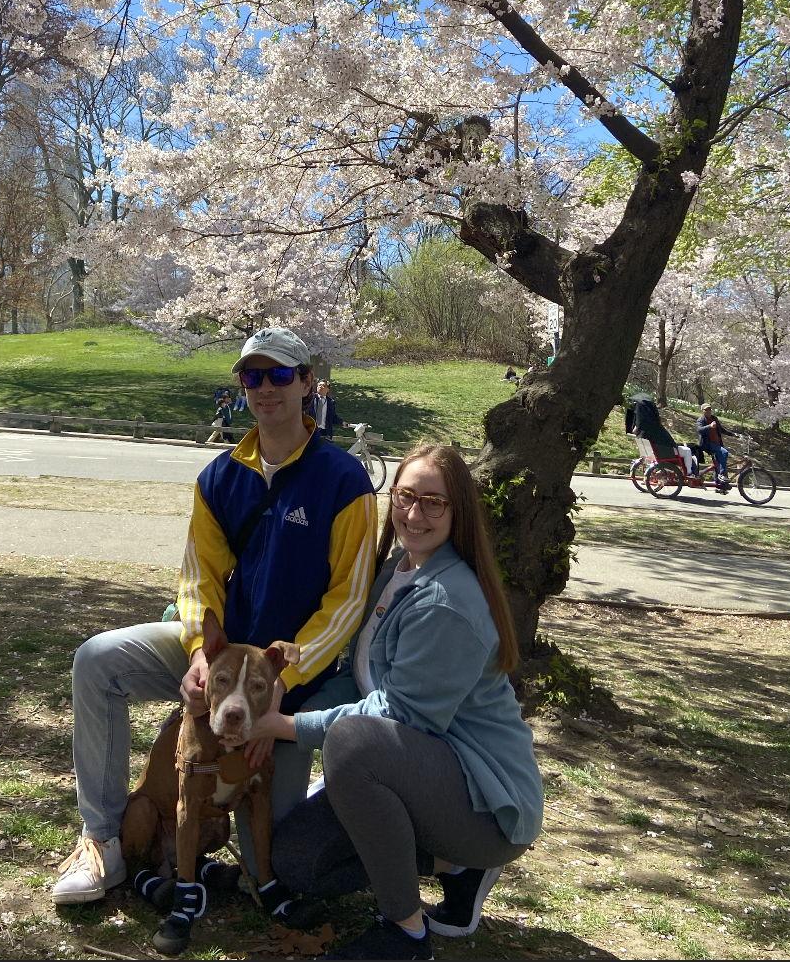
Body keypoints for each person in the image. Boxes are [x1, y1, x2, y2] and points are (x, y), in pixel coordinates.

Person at [51, 326, 380, 920]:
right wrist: (201, 654)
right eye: (253, 376)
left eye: (280, 374)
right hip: (219, 655)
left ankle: (290, 804)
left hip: (286, 674)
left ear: (307, 383)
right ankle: (102, 840)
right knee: (97, 660)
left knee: (272, 864)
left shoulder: (344, 481)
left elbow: (348, 599)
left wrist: (280, 685)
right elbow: (198, 577)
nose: (266, 388)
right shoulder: (219, 477)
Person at [260, 445, 544, 961]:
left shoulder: (447, 601)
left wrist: (286, 727)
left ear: (458, 512)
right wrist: (287, 704)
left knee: (352, 743)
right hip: (417, 771)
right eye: (406, 496)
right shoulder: (396, 571)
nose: (415, 514)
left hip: (486, 804)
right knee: (299, 862)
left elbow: (402, 715)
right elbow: (360, 680)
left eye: (434, 502)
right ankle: (454, 867)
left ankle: (406, 934)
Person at [696, 404, 734, 487]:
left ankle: (719, 484)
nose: (708, 411)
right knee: (724, 453)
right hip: (707, 444)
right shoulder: (701, 420)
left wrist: (732, 434)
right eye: (706, 410)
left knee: (719, 462)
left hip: (717, 444)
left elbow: (721, 429)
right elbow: (699, 430)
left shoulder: (714, 418)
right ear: (702, 411)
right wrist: (709, 426)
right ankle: (721, 475)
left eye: (709, 409)